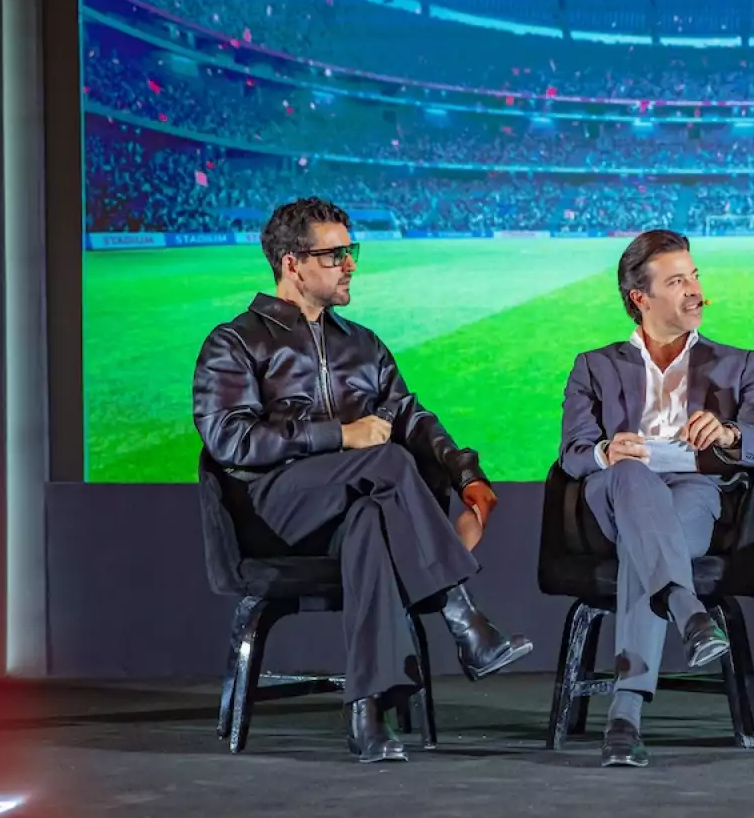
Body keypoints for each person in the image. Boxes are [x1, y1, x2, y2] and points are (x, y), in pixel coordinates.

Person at [192, 197, 533, 764]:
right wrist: (337, 435)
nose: (350, 264)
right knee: (390, 464)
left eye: (352, 252)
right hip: (272, 512)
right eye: (335, 254)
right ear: (291, 263)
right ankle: (462, 615)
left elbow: (412, 417)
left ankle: (368, 716)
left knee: (371, 523)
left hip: (348, 509)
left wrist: (467, 474)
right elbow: (230, 441)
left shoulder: (363, 344)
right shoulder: (234, 342)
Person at [559, 229, 754, 767]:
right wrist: (608, 452)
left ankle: (625, 718)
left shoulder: (740, 363)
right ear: (641, 298)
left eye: (695, 276)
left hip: (695, 491)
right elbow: (573, 453)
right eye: (677, 280)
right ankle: (686, 609)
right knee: (635, 476)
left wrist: (729, 434)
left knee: (651, 550)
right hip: (617, 492)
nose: (694, 291)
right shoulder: (594, 365)